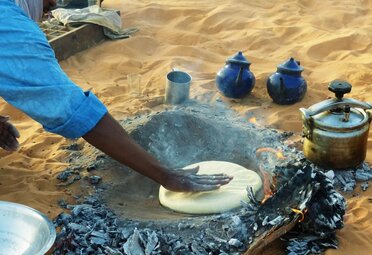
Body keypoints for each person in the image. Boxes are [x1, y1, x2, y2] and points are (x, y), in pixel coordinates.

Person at [0, 0, 232, 192]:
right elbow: (69, 107)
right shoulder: (7, 23)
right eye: (50, 4)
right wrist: (167, 175)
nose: (49, 12)